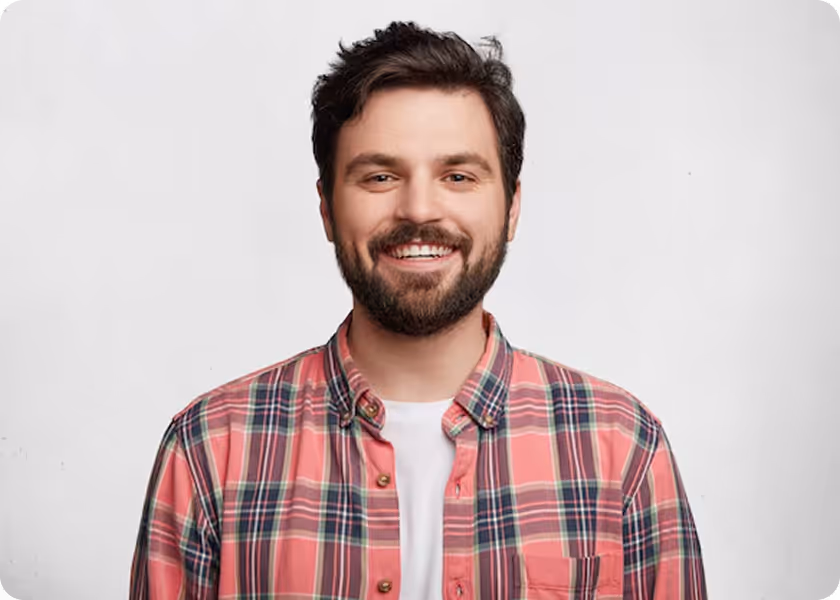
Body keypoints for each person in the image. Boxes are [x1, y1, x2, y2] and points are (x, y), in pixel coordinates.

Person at [129, 21, 707, 600]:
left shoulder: (622, 448)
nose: (419, 209)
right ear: (327, 208)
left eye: (458, 176)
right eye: (380, 176)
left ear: (511, 207)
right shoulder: (210, 449)